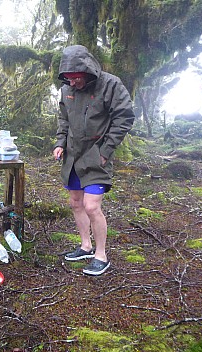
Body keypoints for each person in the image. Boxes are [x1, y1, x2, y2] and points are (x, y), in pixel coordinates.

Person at [53, 45, 135, 276]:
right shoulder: (67, 89)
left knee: (91, 205)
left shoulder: (110, 85)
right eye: (68, 79)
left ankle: (101, 255)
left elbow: (125, 117)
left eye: (76, 78)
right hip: (72, 155)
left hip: (96, 155)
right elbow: (63, 119)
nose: (73, 83)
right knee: (76, 203)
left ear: (87, 70)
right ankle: (85, 246)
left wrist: (106, 150)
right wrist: (60, 143)